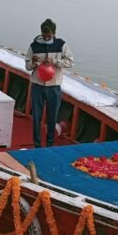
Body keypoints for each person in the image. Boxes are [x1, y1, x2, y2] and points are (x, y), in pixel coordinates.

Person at [25, 19, 74, 148]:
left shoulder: (61, 45)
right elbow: (27, 66)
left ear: (54, 33)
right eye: (44, 35)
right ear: (41, 32)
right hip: (37, 87)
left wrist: (54, 61)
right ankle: (37, 144)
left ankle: (49, 144)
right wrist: (34, 62)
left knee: (52, 118)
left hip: (54, 87)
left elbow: (70, 62)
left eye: (49, 36)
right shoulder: (33, 46)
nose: (46, 38)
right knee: (36, 117)